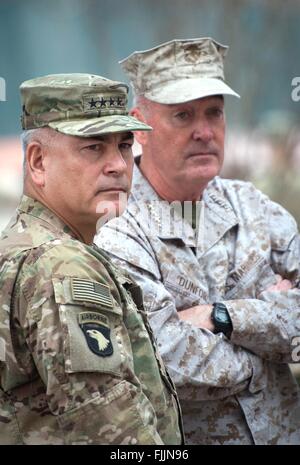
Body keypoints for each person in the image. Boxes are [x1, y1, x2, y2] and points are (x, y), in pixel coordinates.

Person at [96, 38, 300, 445]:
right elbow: (162, 360)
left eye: (214, 113)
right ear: (141, 127)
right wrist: (268, 349)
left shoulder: (251, 205)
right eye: (183, 115)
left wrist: (223, 317)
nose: (204, 132)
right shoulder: (116, 226)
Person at [0, 73, 183, 445]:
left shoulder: (26, 246)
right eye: (93, 148)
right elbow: (115, 434)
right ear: (37, 162)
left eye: (124, 145)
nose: (118, 165)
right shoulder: (60, 263)